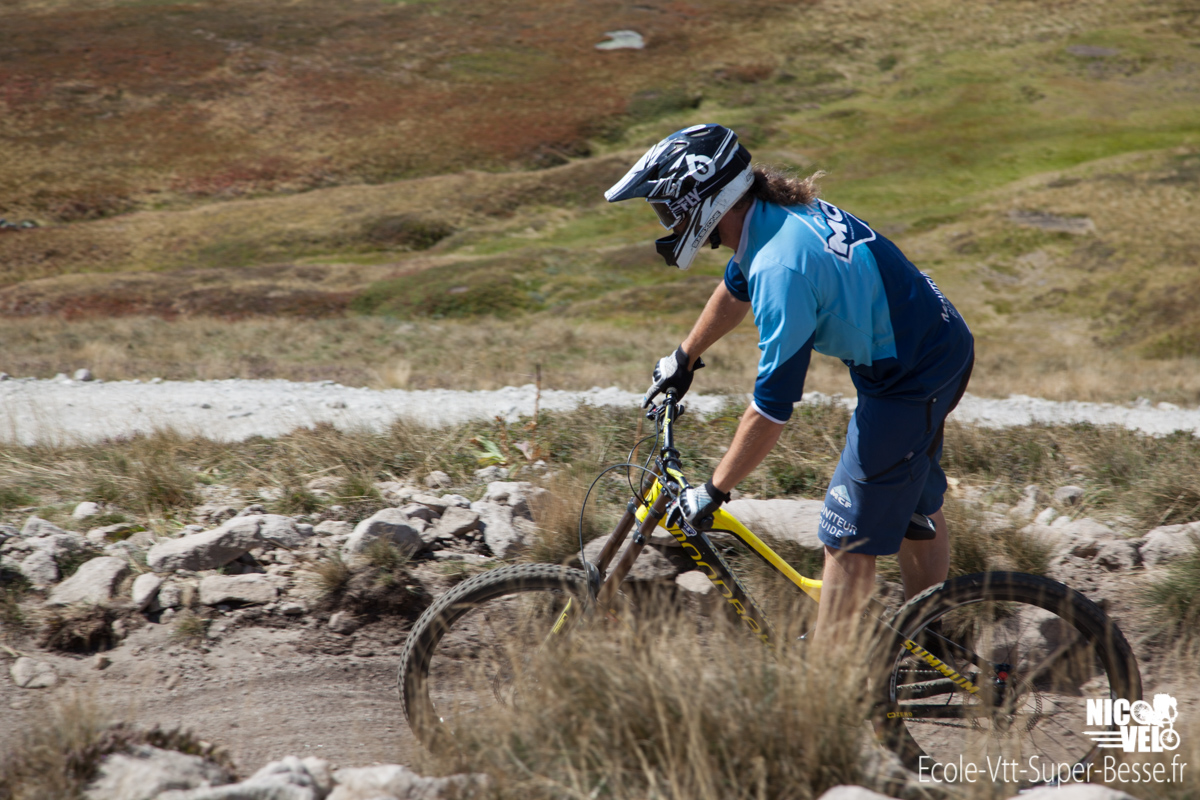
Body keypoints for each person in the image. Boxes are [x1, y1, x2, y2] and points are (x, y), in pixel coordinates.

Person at [604, 124, 974, 639]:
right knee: (917, 506)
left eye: (671, 209)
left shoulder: (781, 266)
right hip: (932, 347)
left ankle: (827, 694)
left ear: (706, 201)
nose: (668, 222)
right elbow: (734, 292)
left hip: (911, 377)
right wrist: (683, 359)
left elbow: (772, 409)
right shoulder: (766, 222)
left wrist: (713, 491)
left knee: (845, 536)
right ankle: (930, 642)